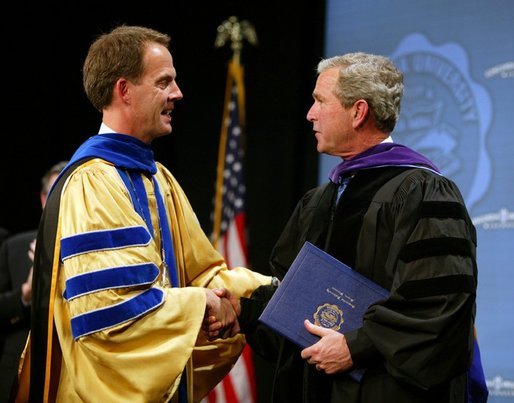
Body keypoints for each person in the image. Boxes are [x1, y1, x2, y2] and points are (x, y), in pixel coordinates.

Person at [15, 25, 271, 403]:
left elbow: (201, 273)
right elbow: (110, 312)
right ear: (124, 90)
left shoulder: (158, 179)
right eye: (164, 82)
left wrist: (273, 292)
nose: (177, 94)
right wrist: (201, 303)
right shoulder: (91, 183)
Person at [213, 52, 479, 402]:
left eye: (320, 101)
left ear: (359, 112)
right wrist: (242, 311)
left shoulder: (423, 192)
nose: (310, 114)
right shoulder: (318, 201)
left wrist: (355, 347)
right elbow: (294, 299)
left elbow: (439, 305)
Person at [0, 161, 67, 402]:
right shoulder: (13, 247)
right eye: (55, 194)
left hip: (74, 371)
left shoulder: (95, 250)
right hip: (16, 375)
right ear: (42, 199)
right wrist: (25, 294)